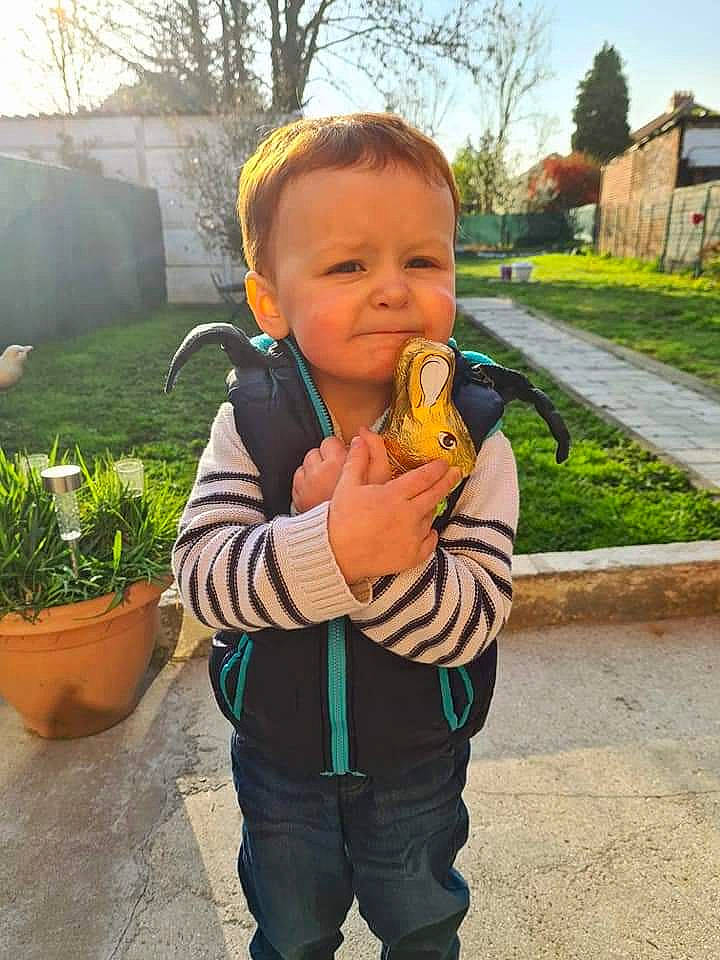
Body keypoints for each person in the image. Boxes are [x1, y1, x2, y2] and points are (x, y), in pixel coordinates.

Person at [171, 112, 519, 960]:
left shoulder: (475, 441)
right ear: (271, 301)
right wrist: (328, 544)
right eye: (349, 265)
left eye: (423, 260)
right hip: (279, 759)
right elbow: (205, 579)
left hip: (416, 762)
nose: (394, 289)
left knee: (423, 923)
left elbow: (472, 619)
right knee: (291, 932)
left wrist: (376, 556)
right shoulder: (251, 425)